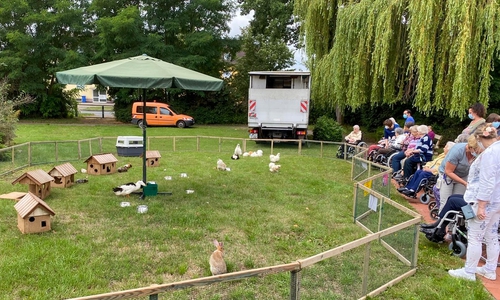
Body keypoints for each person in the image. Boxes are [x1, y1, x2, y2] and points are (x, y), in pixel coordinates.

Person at [447, 125, 500, 281]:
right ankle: (489, 269)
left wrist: (481, 205)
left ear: (479, 138)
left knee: (475, 237)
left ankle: (469, 272)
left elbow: (487, 181)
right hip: (496, 202)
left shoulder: (490, 154)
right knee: (491, 236)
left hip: (484, 201)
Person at [436, 135, 478, 213]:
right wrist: (465, 183)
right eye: (476, 149)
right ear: (470, 147)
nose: (478, 151)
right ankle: (441, 223)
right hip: (448, 175)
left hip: (463, 175)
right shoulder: (457, 150)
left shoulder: (478, 153)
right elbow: (448, 171)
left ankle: (454, 224)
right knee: (445, 202)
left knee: (458, 202)